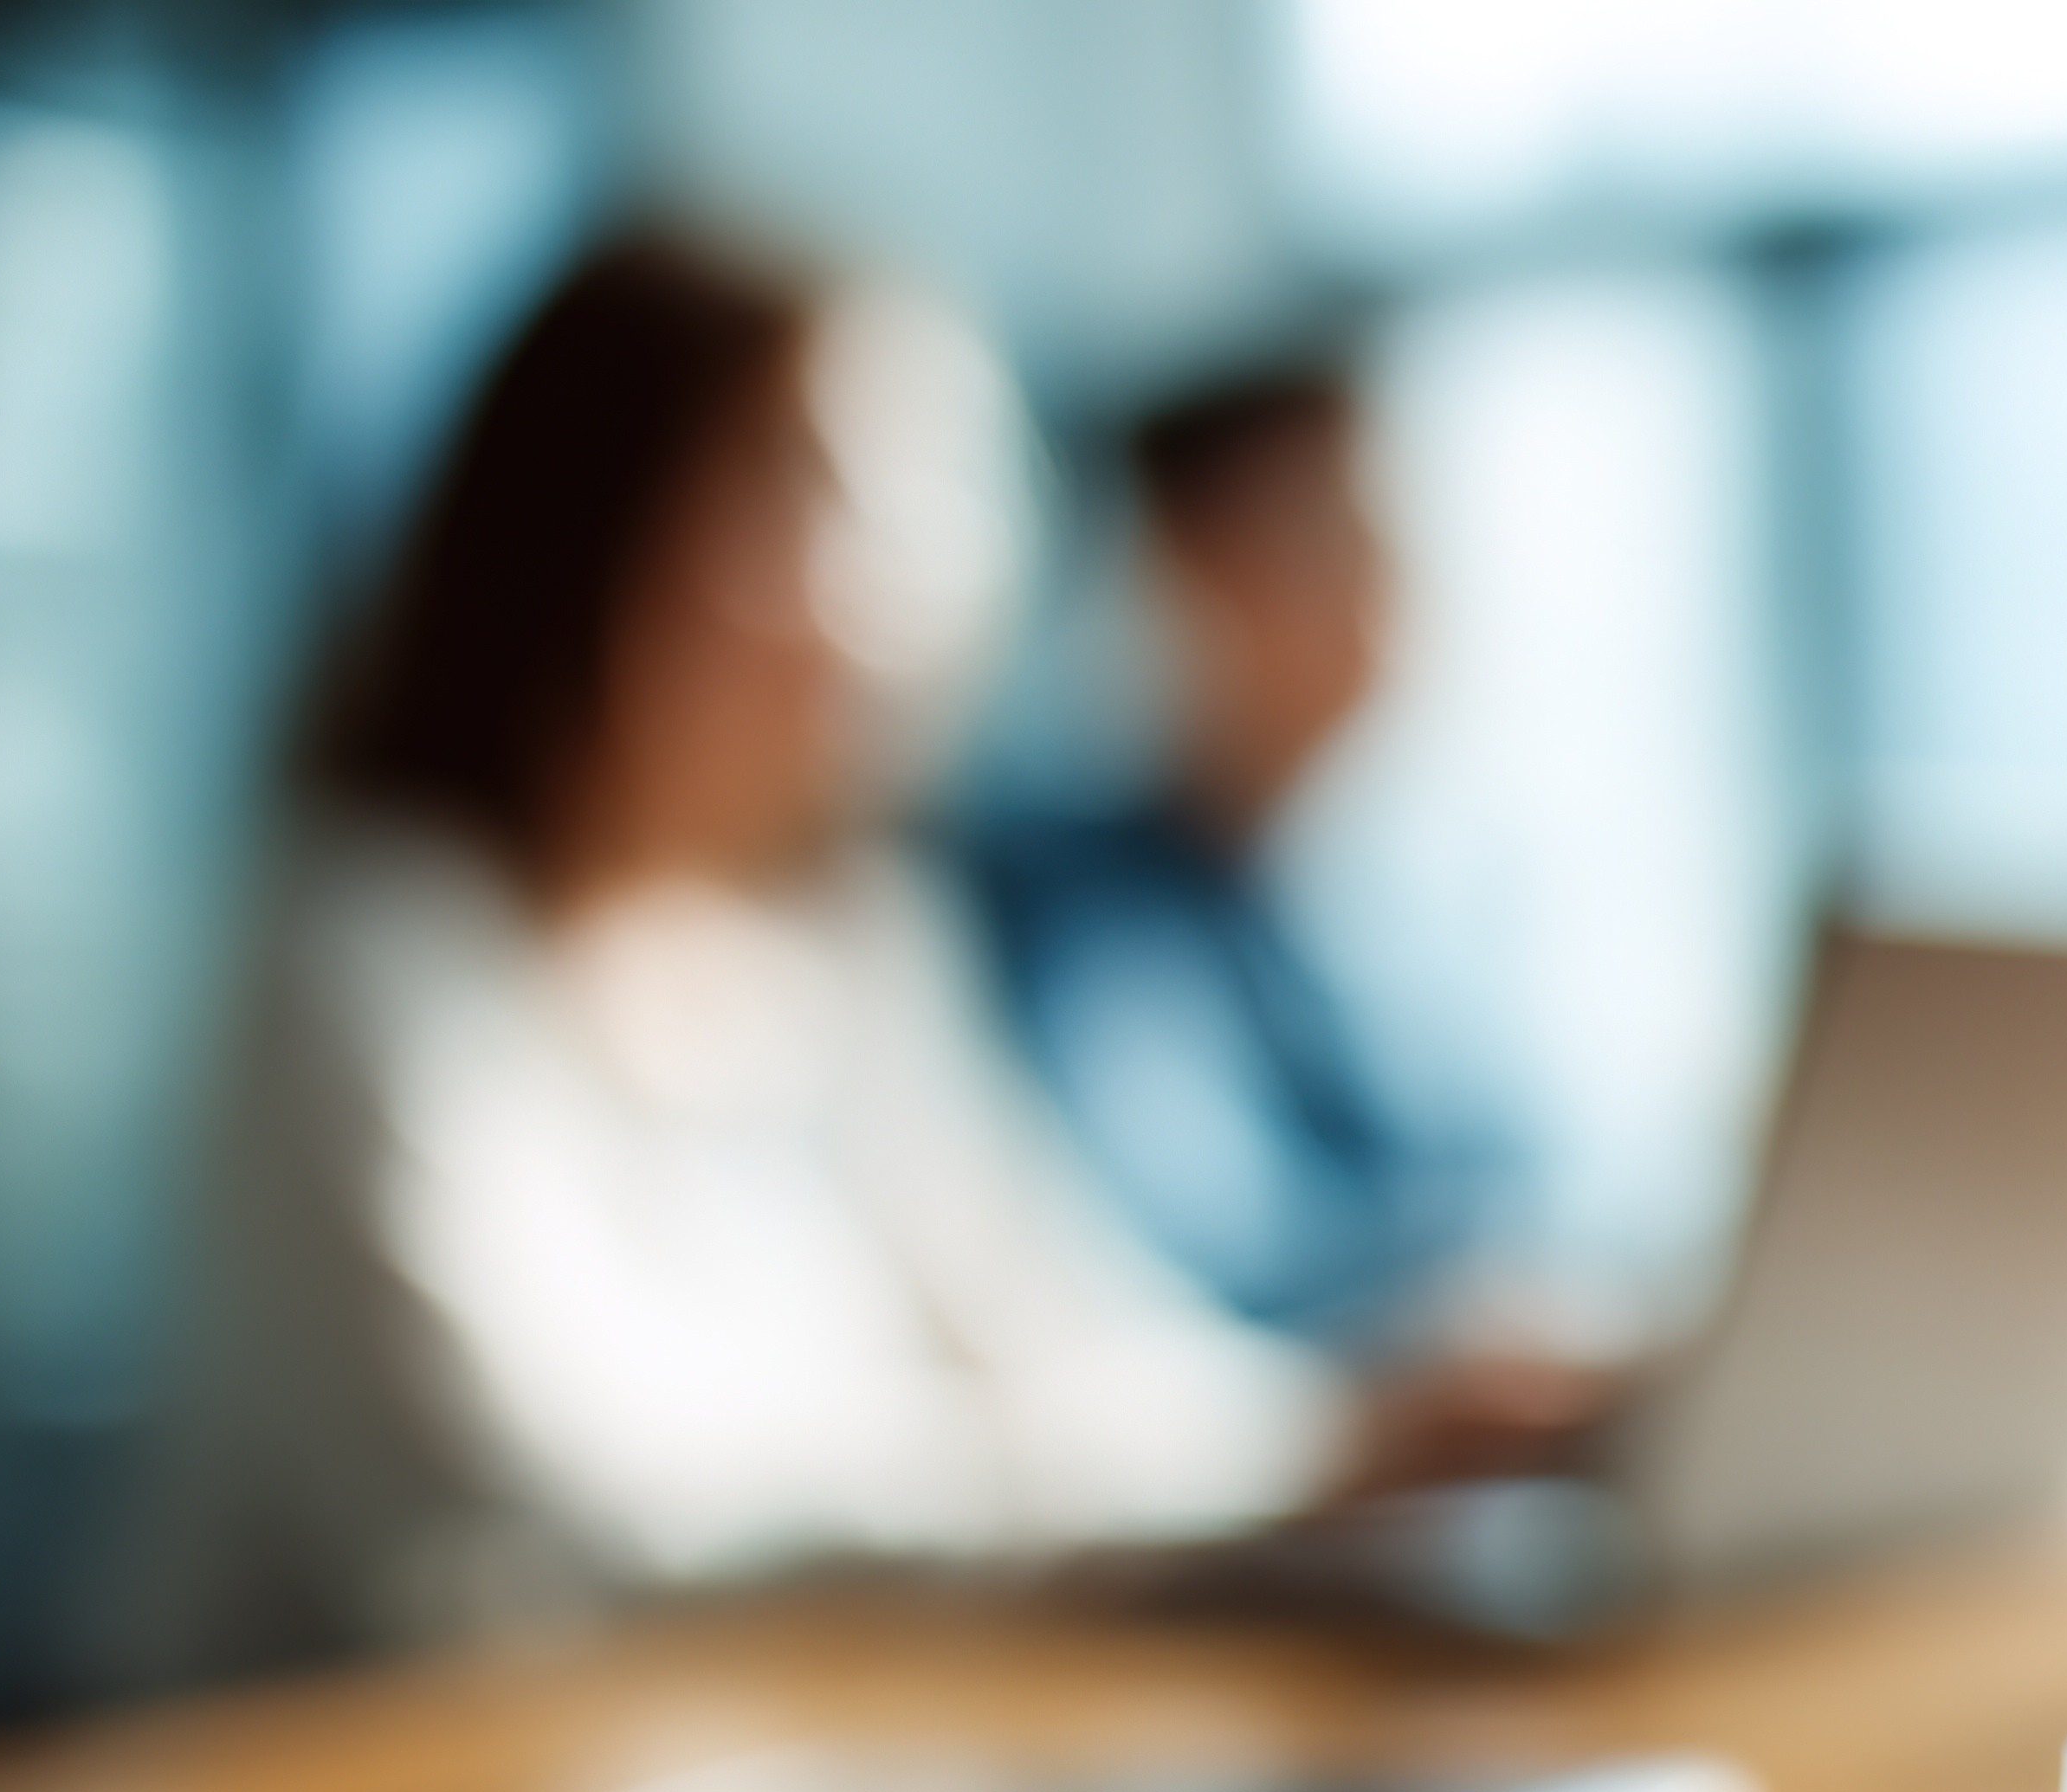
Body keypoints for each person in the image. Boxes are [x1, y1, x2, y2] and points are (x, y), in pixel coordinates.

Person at [94, 229, 1350, 1685]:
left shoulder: (847, 948)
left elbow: (1066, 1342)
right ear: (586, 515)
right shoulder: (370, 967)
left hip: (785, 1791)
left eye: (935, 510)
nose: (894, 600)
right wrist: (1188, 1483)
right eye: (812, 497)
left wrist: (1356, 1427)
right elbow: (532, 1559)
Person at [953, 333, 1598, 1475]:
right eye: (1329, 538)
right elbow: (1190, 1272)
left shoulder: (1419, 908)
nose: (1387, 585)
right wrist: (1428, 1357)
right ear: (1184, 572)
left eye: (1390, 534)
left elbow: (1548, 1203)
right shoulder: (1049, 910)